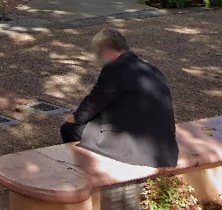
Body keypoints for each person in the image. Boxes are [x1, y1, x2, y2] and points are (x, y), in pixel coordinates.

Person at [61, 29, 179, 168]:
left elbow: (94, 102)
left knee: (69, 129)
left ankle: (87, 169)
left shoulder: (114, 69)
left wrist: (75, 117)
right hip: (166, 151)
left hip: (139, 151)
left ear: (105, 49)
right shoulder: (151, 69)